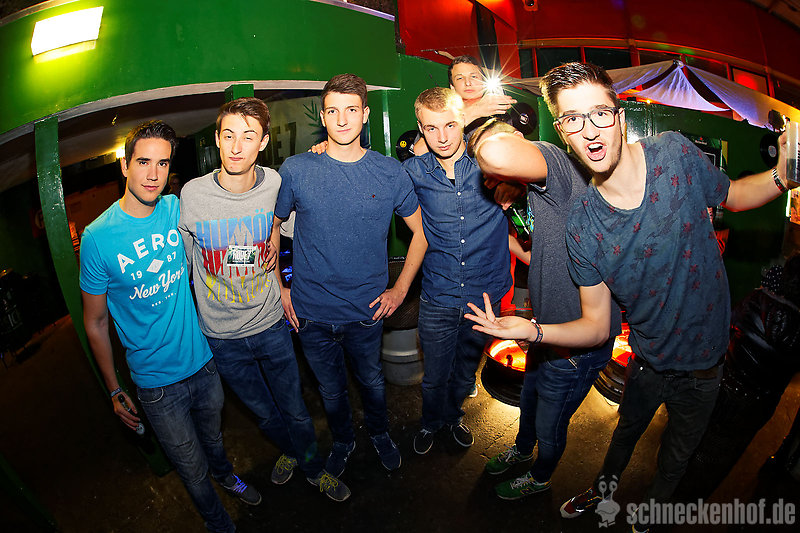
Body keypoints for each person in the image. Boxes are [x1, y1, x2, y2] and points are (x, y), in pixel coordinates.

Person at [465, 62, 797, 530]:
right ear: (562, 132)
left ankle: (652, 514)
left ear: (619, 117)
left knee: (675, 458)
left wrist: (782, 176)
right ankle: (601, 491)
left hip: (704, 365)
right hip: (646, 360)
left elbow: (735, 195)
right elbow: (597, 326)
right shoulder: (582, 226)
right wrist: (532, 330)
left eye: (599, 113)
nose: (590, 130)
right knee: (623, 439)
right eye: (572, 118)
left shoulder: (673, 155)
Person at [80, 120, 259, 533]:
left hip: (204, 363)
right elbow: (95, 322)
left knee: (214, 441)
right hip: (157, 385)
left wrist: (258, 254)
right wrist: (114, 389)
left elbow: (215, 252)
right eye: (143, 162)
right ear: (125, 166)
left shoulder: (178, 208)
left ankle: (226, 476)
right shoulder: (98, 238)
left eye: (162, 163)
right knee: (191, 469)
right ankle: (218, 522)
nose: (153, 174)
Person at [178, 98, 349, 502]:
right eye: (228, 135)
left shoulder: (276, 183)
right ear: (217, 140)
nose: (237, 147)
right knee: (264, 414)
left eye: (248, 136)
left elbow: (299, 230)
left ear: (264, 142)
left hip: (271, 323)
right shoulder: (192, 195)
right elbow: (187, 265)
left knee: (295, 409)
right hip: (222, 336)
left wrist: (324, 156)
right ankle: (292, 451)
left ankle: (313, 470)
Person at [271, 73, 427, 479]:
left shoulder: (389, 172)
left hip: (366, 311)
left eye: (351, 110)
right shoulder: (297, 169)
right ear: (323, 117)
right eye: (333, 111)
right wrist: (281, 286)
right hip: (310, 313)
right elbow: (274, 227)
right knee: (330, 390)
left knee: (372, 381)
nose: (342, 120)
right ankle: (343, 441)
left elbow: (422, 233)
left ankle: (379, 434)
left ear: (365, 114)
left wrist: (400, 289)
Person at [466, 117, 621, 499]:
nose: (492, 173)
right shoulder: (536, 197)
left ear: (519, 138)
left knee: (551, 425)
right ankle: (522, 450)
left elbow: (498, 153)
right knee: (529, 402)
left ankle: (540, 476)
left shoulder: (558, 166)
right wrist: (503, 229)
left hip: (577, 345)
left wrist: (485, 132)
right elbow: (540, 258)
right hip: (546, 332)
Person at [404, 87, 512, 455]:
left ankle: (453, 418)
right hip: (439, 294)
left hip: (484, 295)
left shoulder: (492, 164)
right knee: (434, 375)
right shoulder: (412, 172)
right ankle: (430, 422)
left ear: (463, 121)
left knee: (466, 372)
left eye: (450, 125)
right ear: (420, 128)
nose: (442, 137)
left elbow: (536, 167)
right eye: (431, 128)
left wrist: (515, 187)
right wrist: (324, 149)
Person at [677, 254, 800, 500]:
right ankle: (689, 499)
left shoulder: (758, 300)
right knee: (723, 456)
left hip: (724, 387)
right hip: (757, 406)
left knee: (694, 437)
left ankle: (670, 485)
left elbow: (724, 330)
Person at [412, 55, 516, 156]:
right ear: (452, 87)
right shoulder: (441, 113)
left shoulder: (499, 113)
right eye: (460, 78)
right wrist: (473, 112)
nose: (468, 83)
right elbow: (419, 151)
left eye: (473, 76)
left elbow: (510, 153)